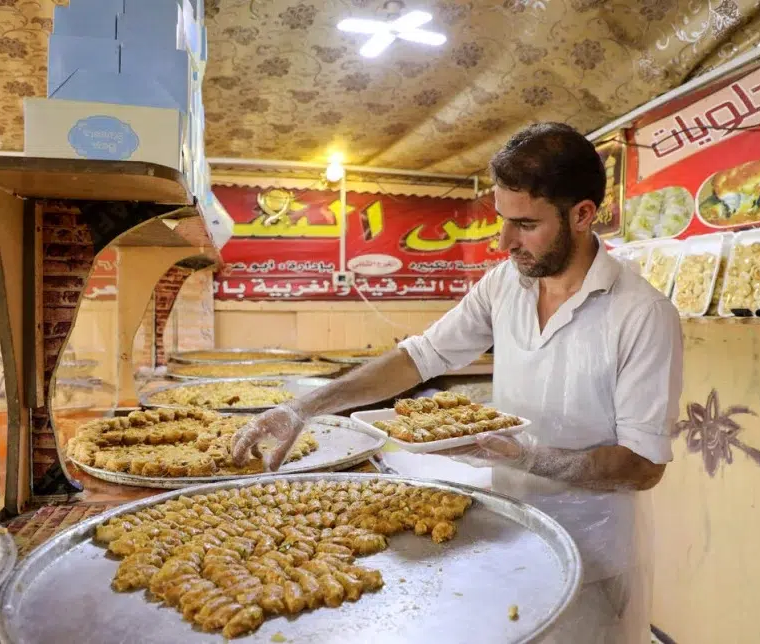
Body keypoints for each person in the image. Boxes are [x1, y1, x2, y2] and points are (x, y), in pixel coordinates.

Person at [231, 122, 684, 643]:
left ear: (582, 215)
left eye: (526, 224)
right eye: (502, 221)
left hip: (594, 552)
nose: (504, 241)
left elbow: (643, 466)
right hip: (510, 528)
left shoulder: (641, 315)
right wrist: (306, 407)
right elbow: (420, 357)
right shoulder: (507, 285)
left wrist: (532, 458)